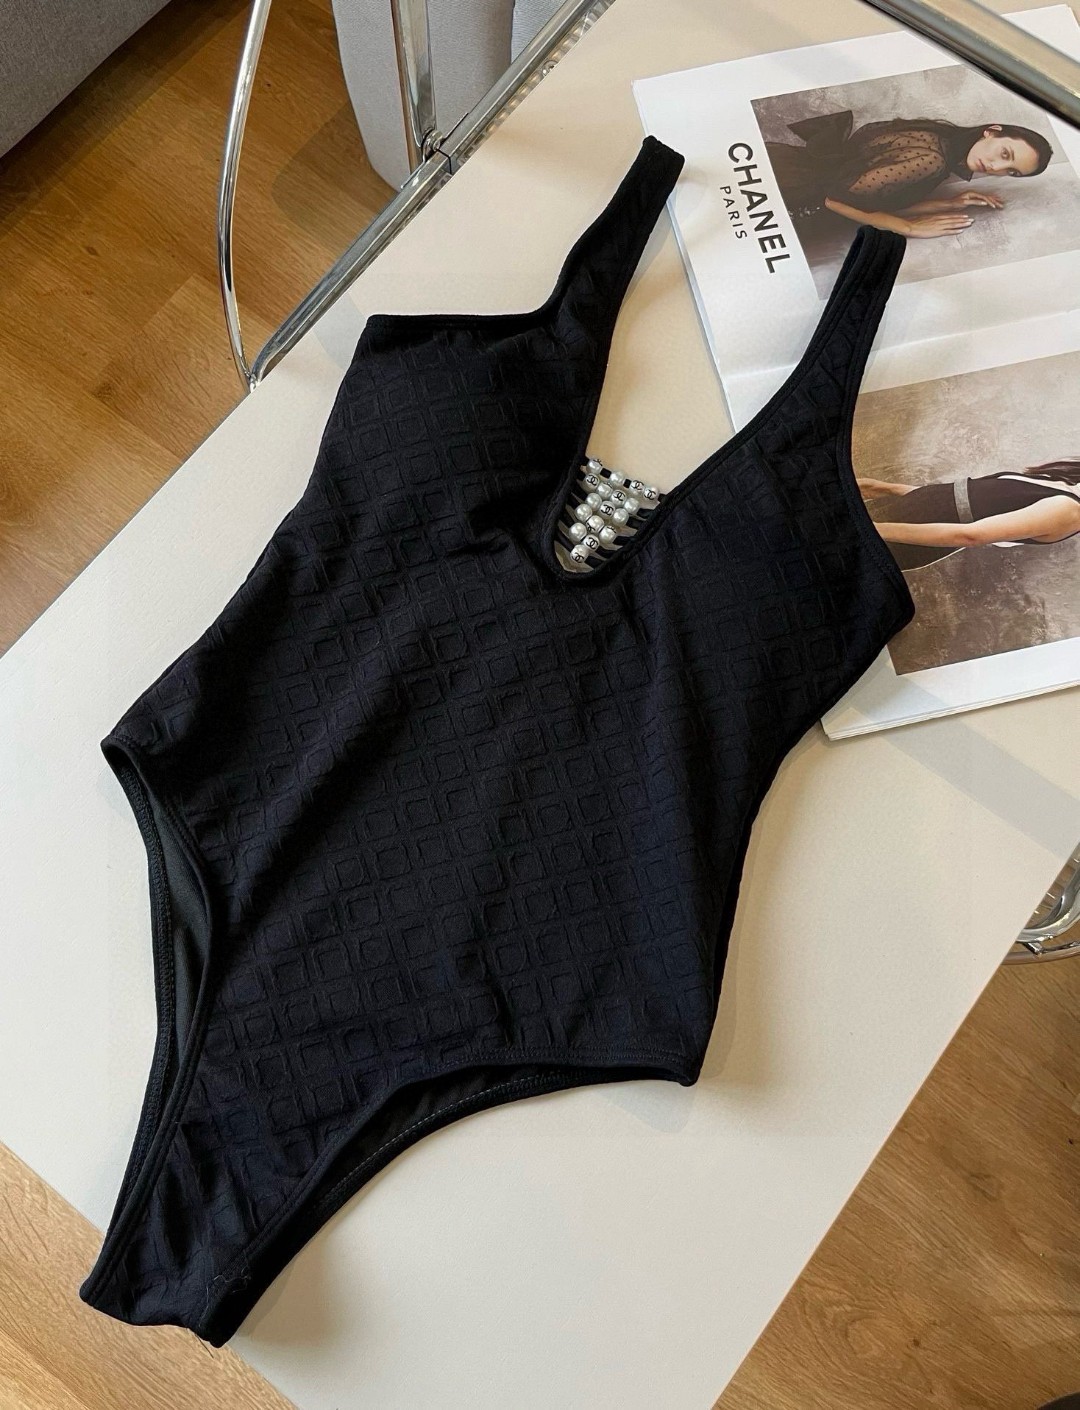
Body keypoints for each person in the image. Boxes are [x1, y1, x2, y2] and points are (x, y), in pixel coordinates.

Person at [767, 112, 1052, 238]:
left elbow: (879, 196)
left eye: (1011, 171)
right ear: (992, 131)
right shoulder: (933, 160)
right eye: (1005, 154)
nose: (995, 167)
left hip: (785, 171)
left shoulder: (937, 136)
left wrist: (949, 204)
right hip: (790, 203)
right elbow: (835, 200)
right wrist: (909, 228)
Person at [857, 458, 1080, 570]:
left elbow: (970, 535)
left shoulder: (1069, 511)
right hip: (908, 509)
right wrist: (887, 489)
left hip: (906, 533)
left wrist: (873, 529)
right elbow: (969, 498)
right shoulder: (1064, 482)